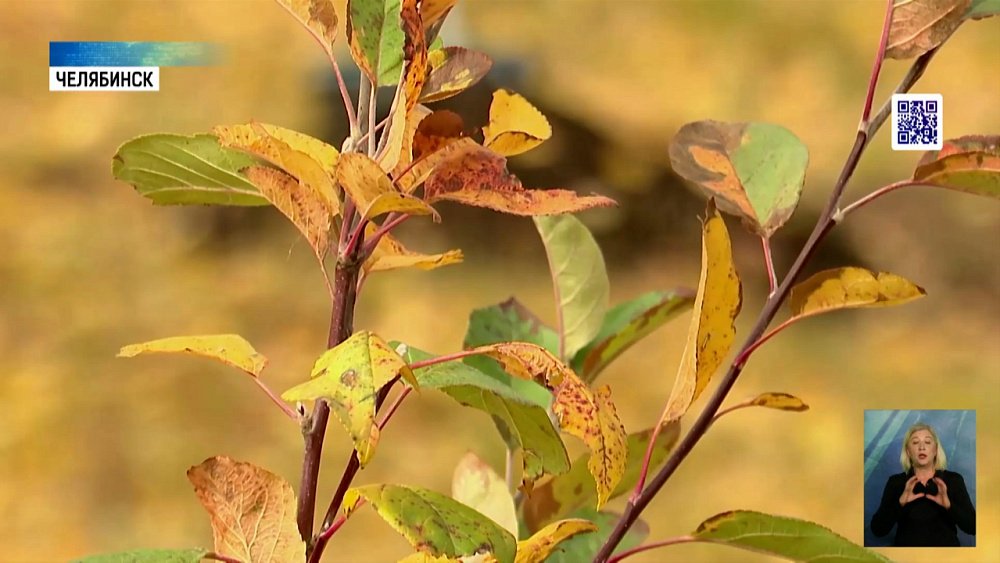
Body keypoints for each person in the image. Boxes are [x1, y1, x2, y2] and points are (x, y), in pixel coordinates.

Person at [870, 423, 976, 546]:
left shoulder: (954, 480)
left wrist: (949, 505)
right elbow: (877, 530)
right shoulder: (896, 482)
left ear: (935, 450)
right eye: (915, 443)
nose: (921, 447)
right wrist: (900, 502)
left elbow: (973, 527)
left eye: (927, 442)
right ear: (908, 451)